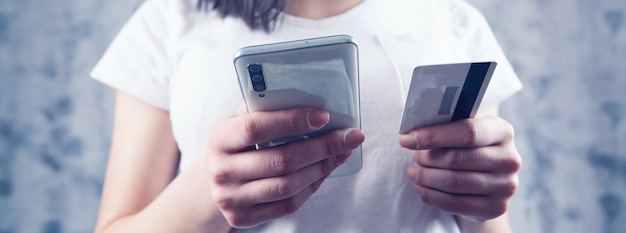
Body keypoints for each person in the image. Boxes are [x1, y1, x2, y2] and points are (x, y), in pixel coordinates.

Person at [90, 0, 523, 232]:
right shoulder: (169, 19)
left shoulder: (449, 19)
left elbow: (486, 223)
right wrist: (209, 190)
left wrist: (484, 197)